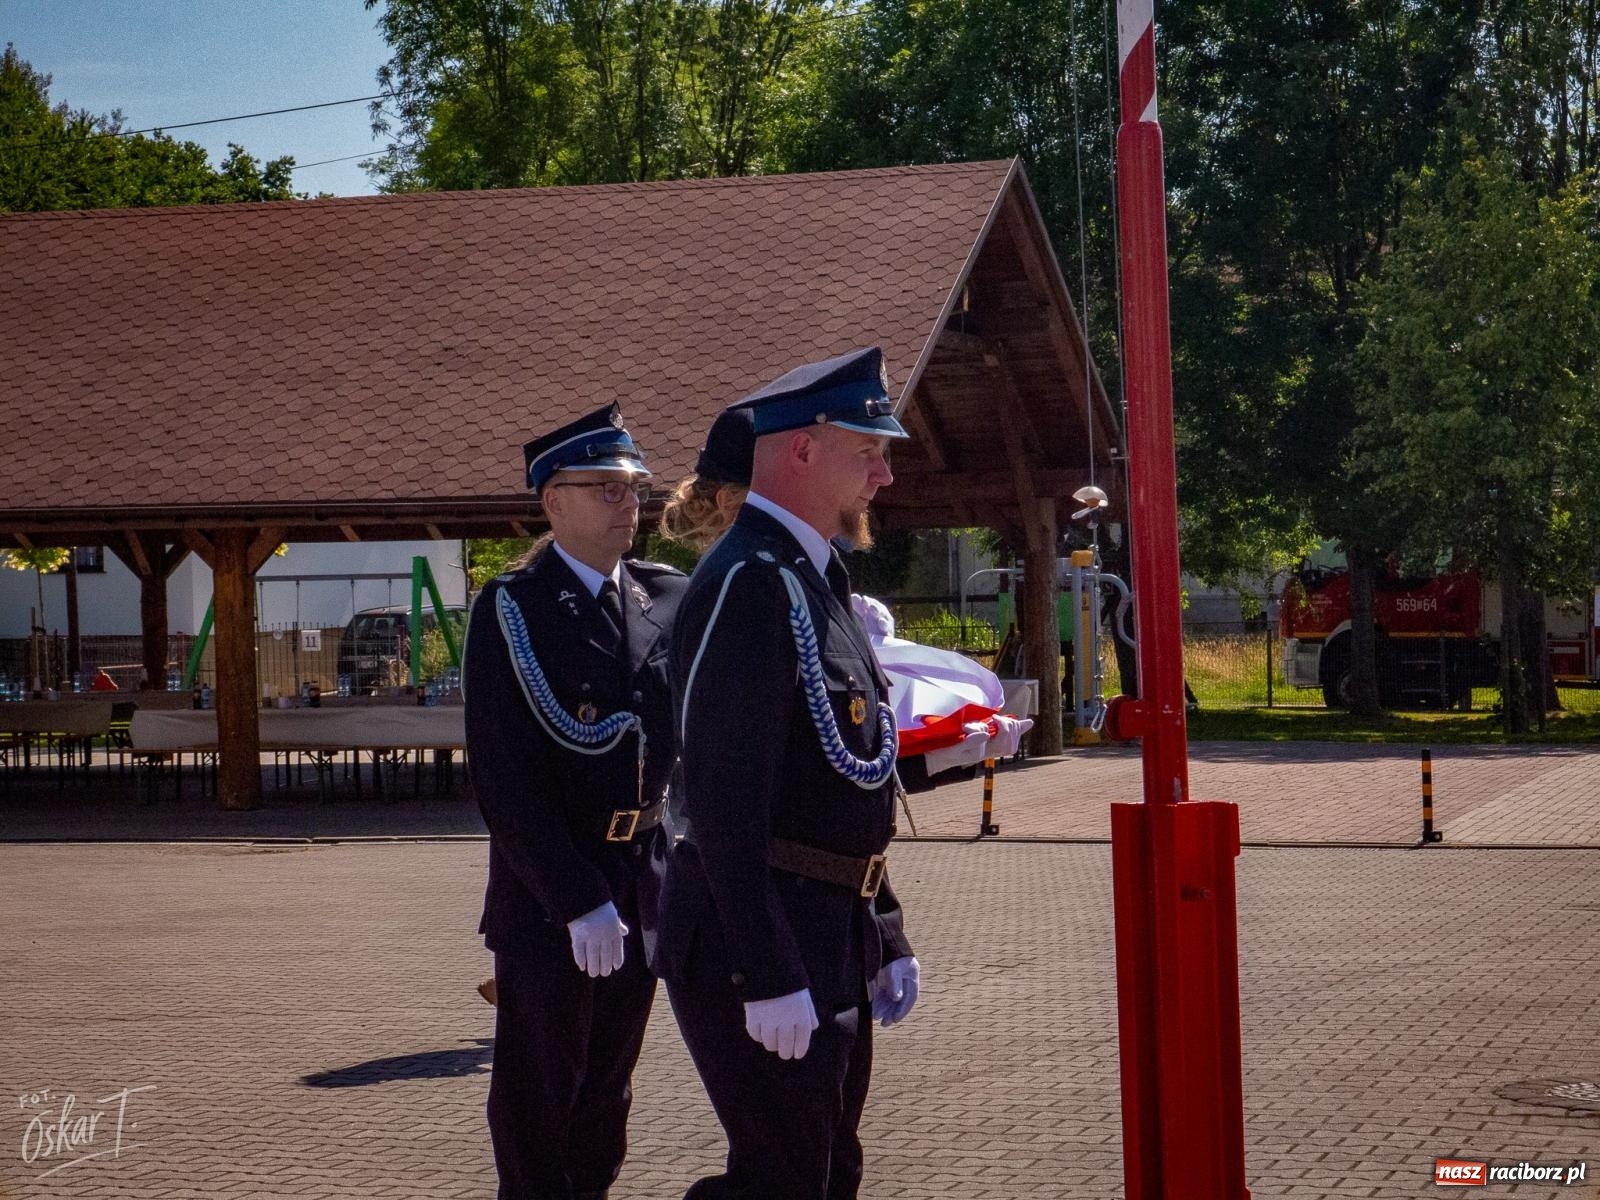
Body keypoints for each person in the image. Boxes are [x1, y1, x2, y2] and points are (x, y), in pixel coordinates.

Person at [658, 347, 921, 1200]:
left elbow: (850, 784)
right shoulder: (749, 582)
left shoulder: (816, 581)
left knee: (825, 1170)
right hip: (760, 935)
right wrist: (767, 970)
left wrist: (881, 929)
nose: (883, 473)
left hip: (825, 926)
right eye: (867, 449)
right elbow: (724, 802)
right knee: (784, 1180)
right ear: (802, 450)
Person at [465, 401, 685, 1200]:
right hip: (552, 894)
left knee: (608, 1093)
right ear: (553, 502)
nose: (629, 505)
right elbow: (505, 778)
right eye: (607, 489)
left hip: (641, 880)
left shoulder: (664, 596)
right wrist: (576, 898)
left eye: (634, 488)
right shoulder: (515, 609)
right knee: (537, 1095)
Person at [661, 406, 1033, 788]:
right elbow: (735, 781)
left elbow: (828, 767)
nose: (883, 476)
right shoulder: (744, 592)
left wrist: (947, 758)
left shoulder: (817, 577)